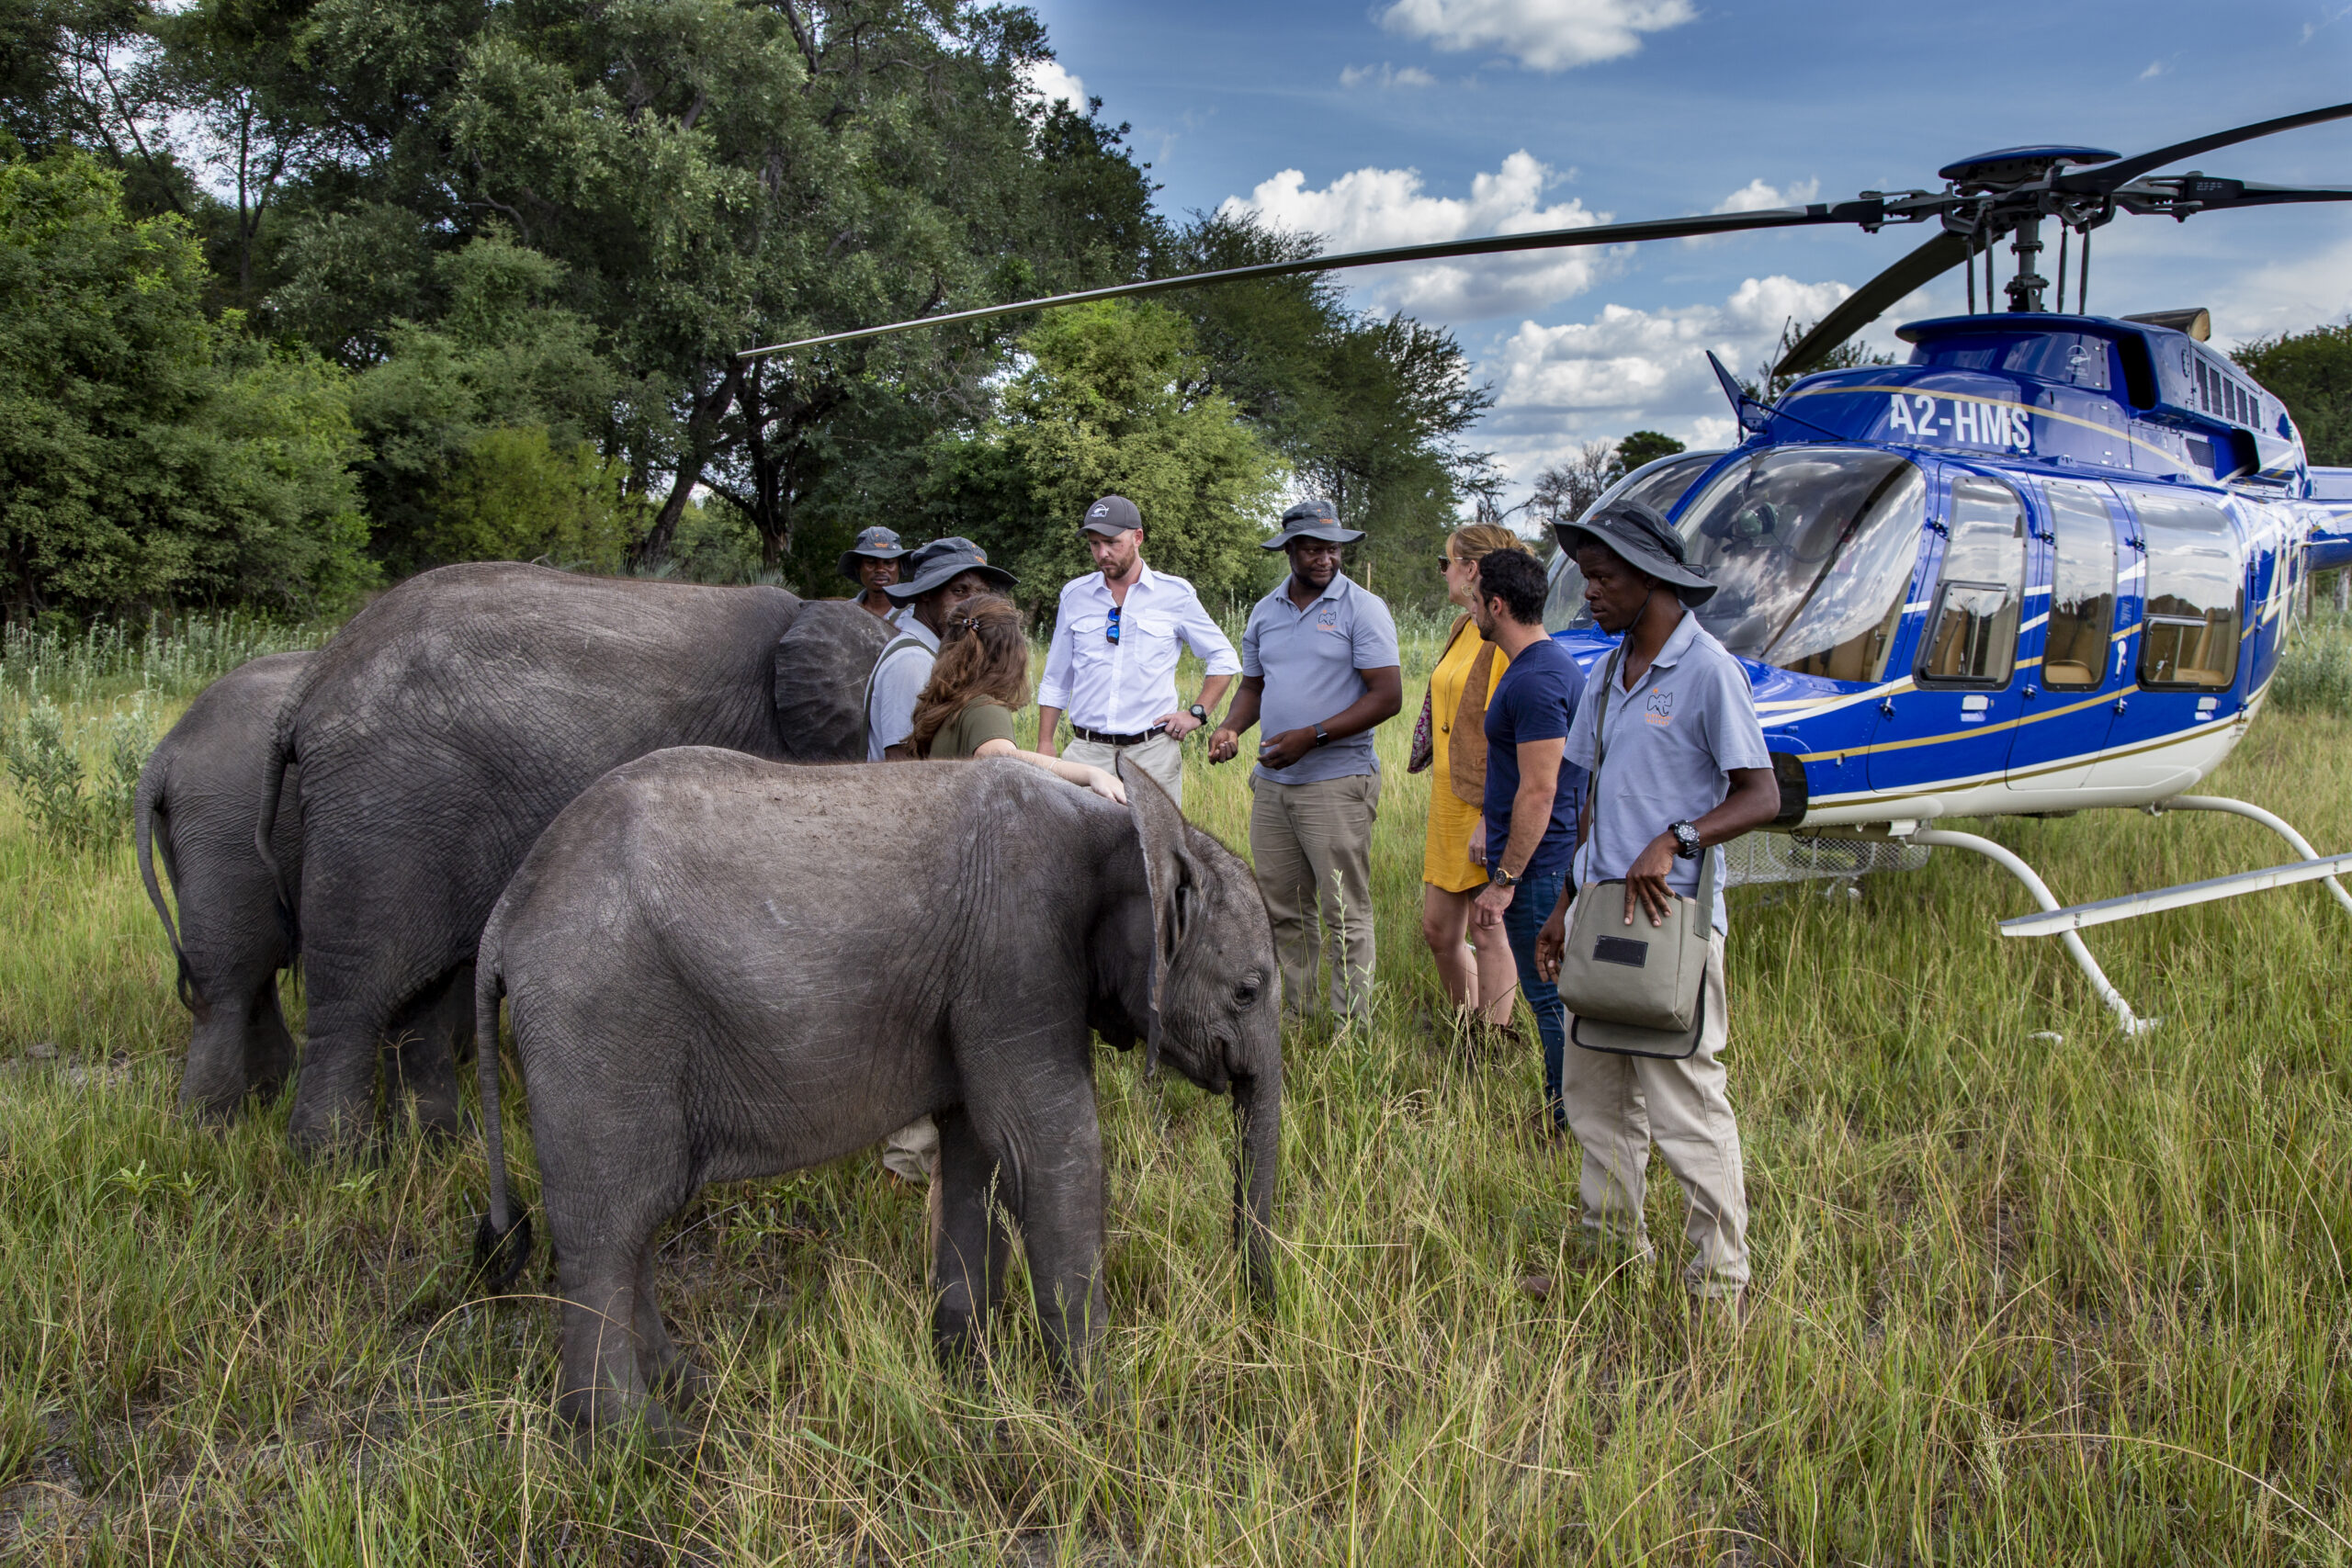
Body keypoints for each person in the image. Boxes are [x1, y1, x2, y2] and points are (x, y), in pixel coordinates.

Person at [1532, 499, 1780, 1316]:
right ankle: (1607, 1258)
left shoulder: (1709, 672)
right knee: (1596, 1102)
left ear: (1653, 580)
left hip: (1673, 924)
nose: (1590, 594)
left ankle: (1720, 1288)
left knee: (1685, 1108)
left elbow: (1762, 794)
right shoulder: (1605, 675)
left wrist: (1678, 836)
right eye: (1589, 578)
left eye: (1604, 578)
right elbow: (1594, 802)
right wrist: (1564, 902)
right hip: (1602, 919)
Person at [876, 595, 1126, 1184]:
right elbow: (1003, 761)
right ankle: (930, 1163)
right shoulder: (985, 710)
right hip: (959, 895)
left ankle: (903, 1161)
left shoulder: (943, 703)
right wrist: (1088, 773)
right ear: (1008, 655)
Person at [1209, 498, 1403, 1023]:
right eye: (1313, 549)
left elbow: (1387, 696)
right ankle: (1296, 1016)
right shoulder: (1265, 611)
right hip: (1275, 785)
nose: (1325, 559)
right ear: (1289, 550)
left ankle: (1351, 1029)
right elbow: (1253, 686)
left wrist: (1312, 736)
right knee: (1284, 911)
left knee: (1345, 914)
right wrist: (1230, 727)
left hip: (1336, 782)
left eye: (1333, 548)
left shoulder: (1363, 608)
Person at [1464, 547, 1587, 1130]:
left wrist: (1505, 881)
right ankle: (1569, 1109)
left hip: (1539, 867)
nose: (1469, 611)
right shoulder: (1544, 666)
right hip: (1541, 859)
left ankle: (1569, 1119)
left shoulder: (1537, 680)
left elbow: (1541, 791)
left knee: (1548, 999)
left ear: (1497, 604)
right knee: (1550, 997)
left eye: (1474, 600)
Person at [1035, 495, 1240, 808]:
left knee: (1156, 851)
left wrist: (1197, 713)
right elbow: (1056, 679)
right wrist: (1045, 744)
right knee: (1081, 853)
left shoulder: (1175, 595)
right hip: (1086, 754)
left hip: (1152, 754)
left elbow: (1223, 658)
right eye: (1094, 544)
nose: (1102, 554)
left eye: (1112, 543)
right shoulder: (1074, 596)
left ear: (1138, 537)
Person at [1417, 523, 1530, 1055]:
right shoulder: (1467, 626)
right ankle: (1470, 1026)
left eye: (1447, 563)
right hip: (1448, 797)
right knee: (1439, 930)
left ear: (1472, 570)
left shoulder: (1505, 638)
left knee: (1488, 929)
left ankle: (1493, 1040)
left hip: (1483, 800)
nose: (1443, 572)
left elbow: (1508, 737)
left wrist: (1491, 813)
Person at [865, 537, 1017, 762]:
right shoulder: (912, 661)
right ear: (926, 593)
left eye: (981, 594)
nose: (971, 606)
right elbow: (900, 763)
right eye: (960, 591)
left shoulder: (936, 655)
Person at [839, 526, 909, 620]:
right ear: (858, 567)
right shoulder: (843, 613)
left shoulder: (916, 613)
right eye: (871, 562)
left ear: (900, 567)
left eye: (888, 562)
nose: (880, 569)